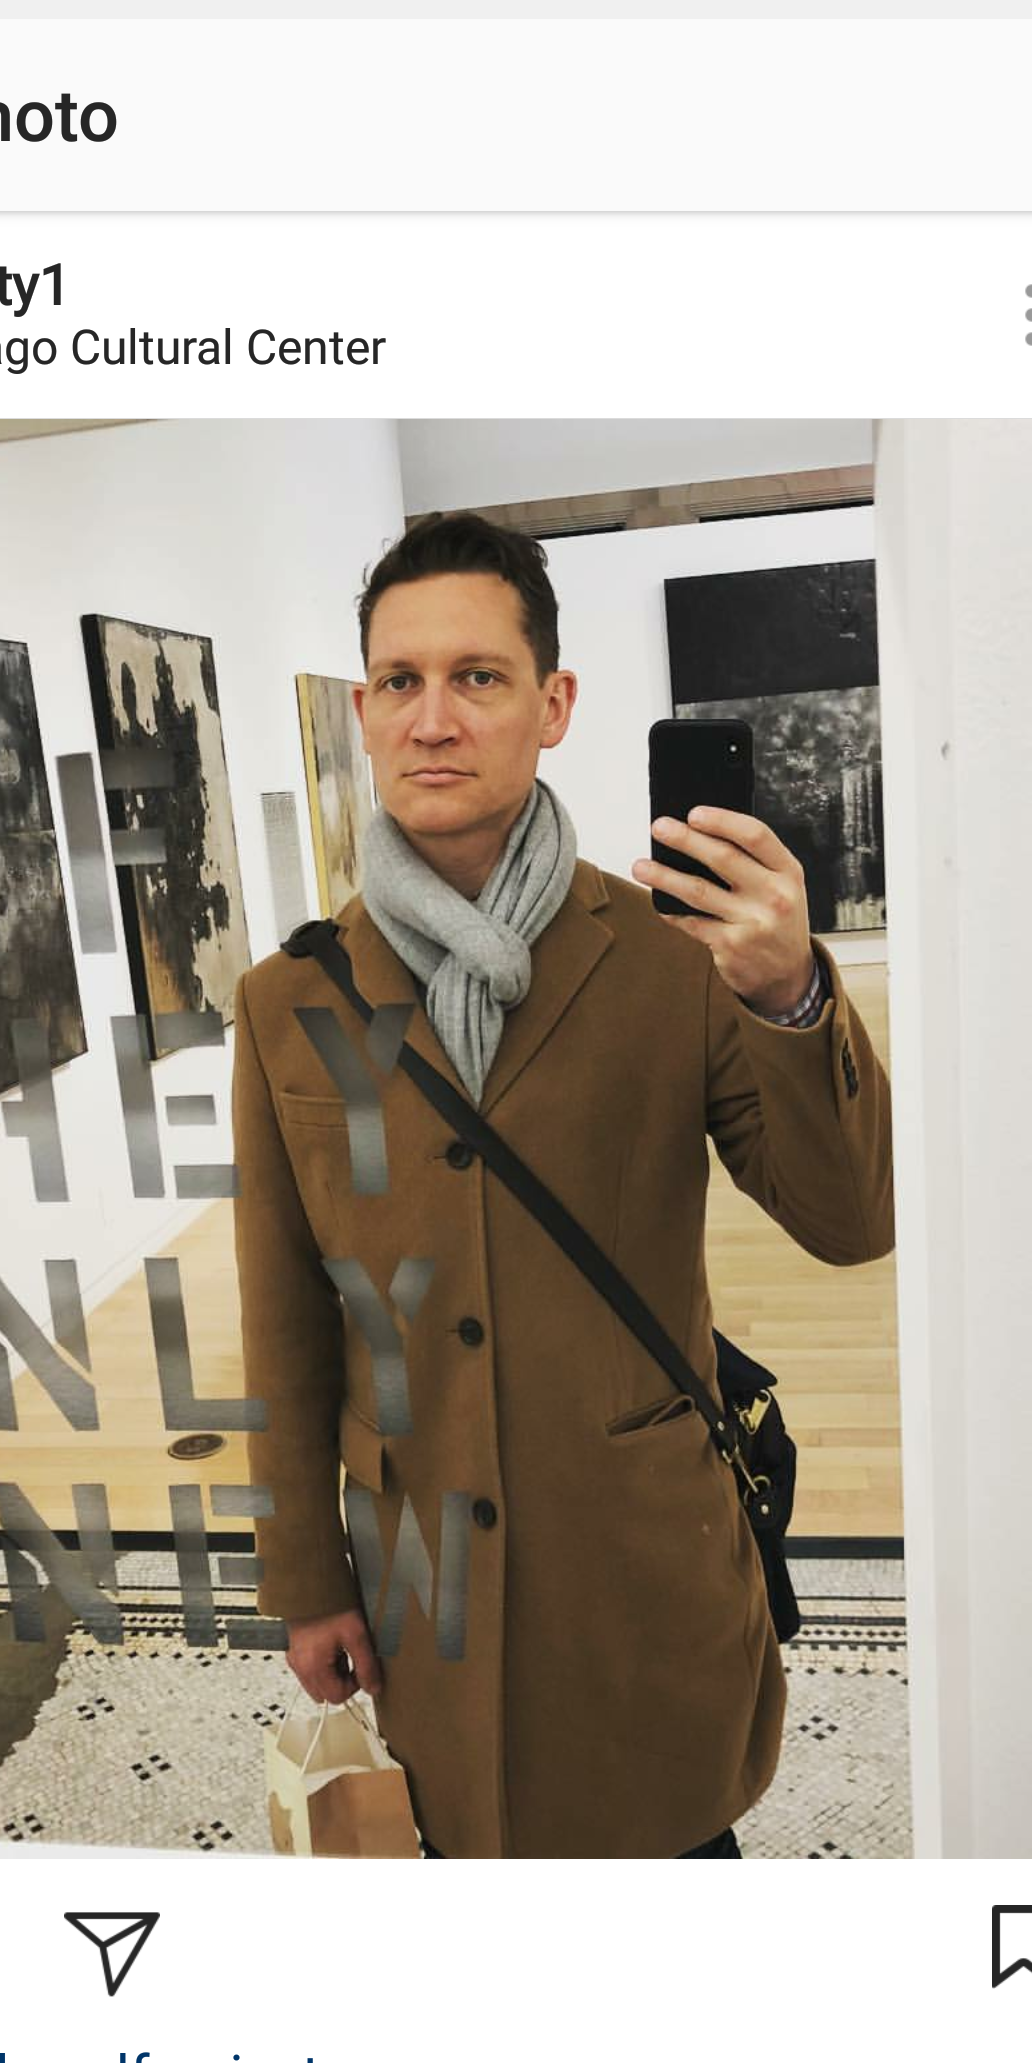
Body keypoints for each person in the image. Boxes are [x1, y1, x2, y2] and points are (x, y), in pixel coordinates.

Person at [230, 512, 894, 1857]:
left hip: (639, 1561)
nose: (433, 719)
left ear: (553, 704)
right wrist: (307, 1578)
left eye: (477, 677)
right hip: (426, 1583)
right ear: (362, 712)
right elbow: (286, 1318)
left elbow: (850, 1219)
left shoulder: (670, 957)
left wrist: (790, 994)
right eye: (401, 683)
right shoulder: (289, 997)